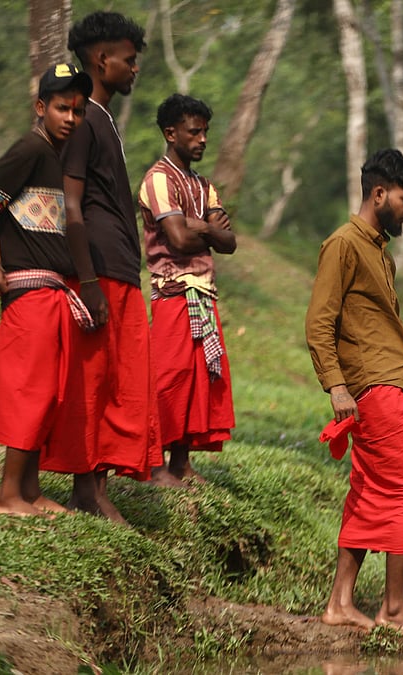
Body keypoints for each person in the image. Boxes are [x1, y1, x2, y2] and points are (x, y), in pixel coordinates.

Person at [0, 64, 98, 516]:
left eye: (77, 110)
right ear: (41, 108)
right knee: (29, 391)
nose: (70, 118)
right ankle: (7, 494)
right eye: (61, 108)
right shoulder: (31, 148)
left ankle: (31, 491)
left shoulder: (55, 156)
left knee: (47, 391)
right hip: (30, 292)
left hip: (52, 293)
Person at [305, 148, 403, 639]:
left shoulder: (377, 248)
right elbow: (320, 323)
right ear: (379, 193)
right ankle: (394, 609)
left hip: (392, 382)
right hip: (378, 388)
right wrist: (336, 386)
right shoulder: (343, 244)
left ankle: (340, 603)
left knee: (368, 491)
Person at [56, 10, 159, 524]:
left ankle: (95, 484)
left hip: (120, 269)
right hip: (98, 272)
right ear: (102, 59)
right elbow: (69, 206)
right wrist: (89, 282)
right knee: (95, 380)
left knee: (122, 380)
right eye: (129, 59)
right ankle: (86, 488)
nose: (134, 68)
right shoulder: (80, 119)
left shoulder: (104, 118)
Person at [138, 94, 237, 485]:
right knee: (169, 376)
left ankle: (181, 462)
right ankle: (154, 463)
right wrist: (209, 230)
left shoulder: (203, 185)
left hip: (203, 293)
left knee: (200, 376)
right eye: (194, 132)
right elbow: (178, 239)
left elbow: (230, 242)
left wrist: (205, 230)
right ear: (170, 133)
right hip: (172, 292)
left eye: (205, 132)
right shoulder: (158, 179)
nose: (202, 140)